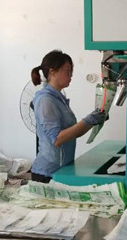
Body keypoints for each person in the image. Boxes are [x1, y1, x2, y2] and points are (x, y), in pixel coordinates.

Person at [29, 50, 106, 182]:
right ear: (52, 72)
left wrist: (93, 120)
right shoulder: (46, 100)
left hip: (62, 169)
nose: (71, 76)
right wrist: (87, 120)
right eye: (67, 71)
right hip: (47, 173)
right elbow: (57, 139)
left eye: (71, 72)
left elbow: (72, 133)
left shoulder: (59, 99)